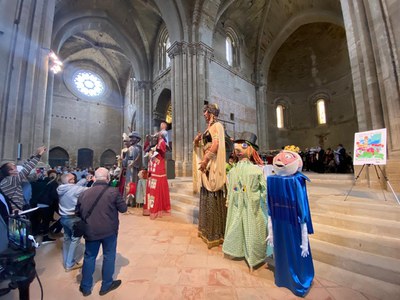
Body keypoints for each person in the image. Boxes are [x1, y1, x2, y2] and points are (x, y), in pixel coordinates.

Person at [267, 149, 314, 297]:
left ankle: (299, 280)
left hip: (293, 221)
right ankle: (282, 277)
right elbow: (270, 202)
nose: (280, 160)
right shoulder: (272, 179)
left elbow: (302, 205)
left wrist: (304, 223)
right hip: (278, 220)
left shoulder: (296, 180)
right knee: (281, 247)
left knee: (295, 247)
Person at [76, 167, 127, 297]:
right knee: (109, 256)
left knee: (89, 257)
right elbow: (123, 209)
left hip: (91, 230)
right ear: (108, 178)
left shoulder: (84, 193)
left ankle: (86, 287)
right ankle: (106, 285)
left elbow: (77, 212)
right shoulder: (113, 192)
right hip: (109, 231)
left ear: (94, 178)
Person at [222, 133, 268, 270]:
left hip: (238, 204)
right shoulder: (256, 170)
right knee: (252, 228)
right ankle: (253, 256)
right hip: (251, 206)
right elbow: (264, 190)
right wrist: (265, 203)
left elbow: (231, 188)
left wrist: (230, 199)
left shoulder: (233, 171)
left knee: (237, 225)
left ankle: (238, 250)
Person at [193, 103, 227, 249]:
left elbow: (216, 144)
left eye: (205, 112)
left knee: (213, 193)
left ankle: (216, 233)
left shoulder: (217, 126)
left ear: (211, 112)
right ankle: (207, 230)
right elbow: (205, 145)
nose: (204, 114)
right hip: (207, 164)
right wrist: (196, 142)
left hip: (212, 165)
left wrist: (206, 160)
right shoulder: (209, 128)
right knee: (206, 194)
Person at [57, 173, 89, 271]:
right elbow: (89, 190)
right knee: (75, 240)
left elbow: (76, 186)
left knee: (67, 239)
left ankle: (67, 261)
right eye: (73, 179)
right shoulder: (74, 189)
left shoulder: (60, 188)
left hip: (63, 217)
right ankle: (69, 264)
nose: (75, 180)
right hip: (73, 218)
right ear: (70, 180)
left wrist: (85, 180)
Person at [0, 146, 46, 212]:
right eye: (15, 167)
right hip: (14, 211)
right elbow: (26, 169)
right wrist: (39, 155)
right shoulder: (11, 180)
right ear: (10, 171)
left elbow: (26, 166)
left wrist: (35, 155)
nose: (17, 168)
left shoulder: (7, 180)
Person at [147, 132, 171, 219]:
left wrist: (153, 151)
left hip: (159, 170)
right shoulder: (157, 144)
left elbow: (160, 149)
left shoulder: (161, 143)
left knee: (158, 190)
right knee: (154, 191)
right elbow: (150, 151)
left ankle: (158, 210)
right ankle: (154, 210)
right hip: (154, 170)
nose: (154, 138)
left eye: (156, 137)